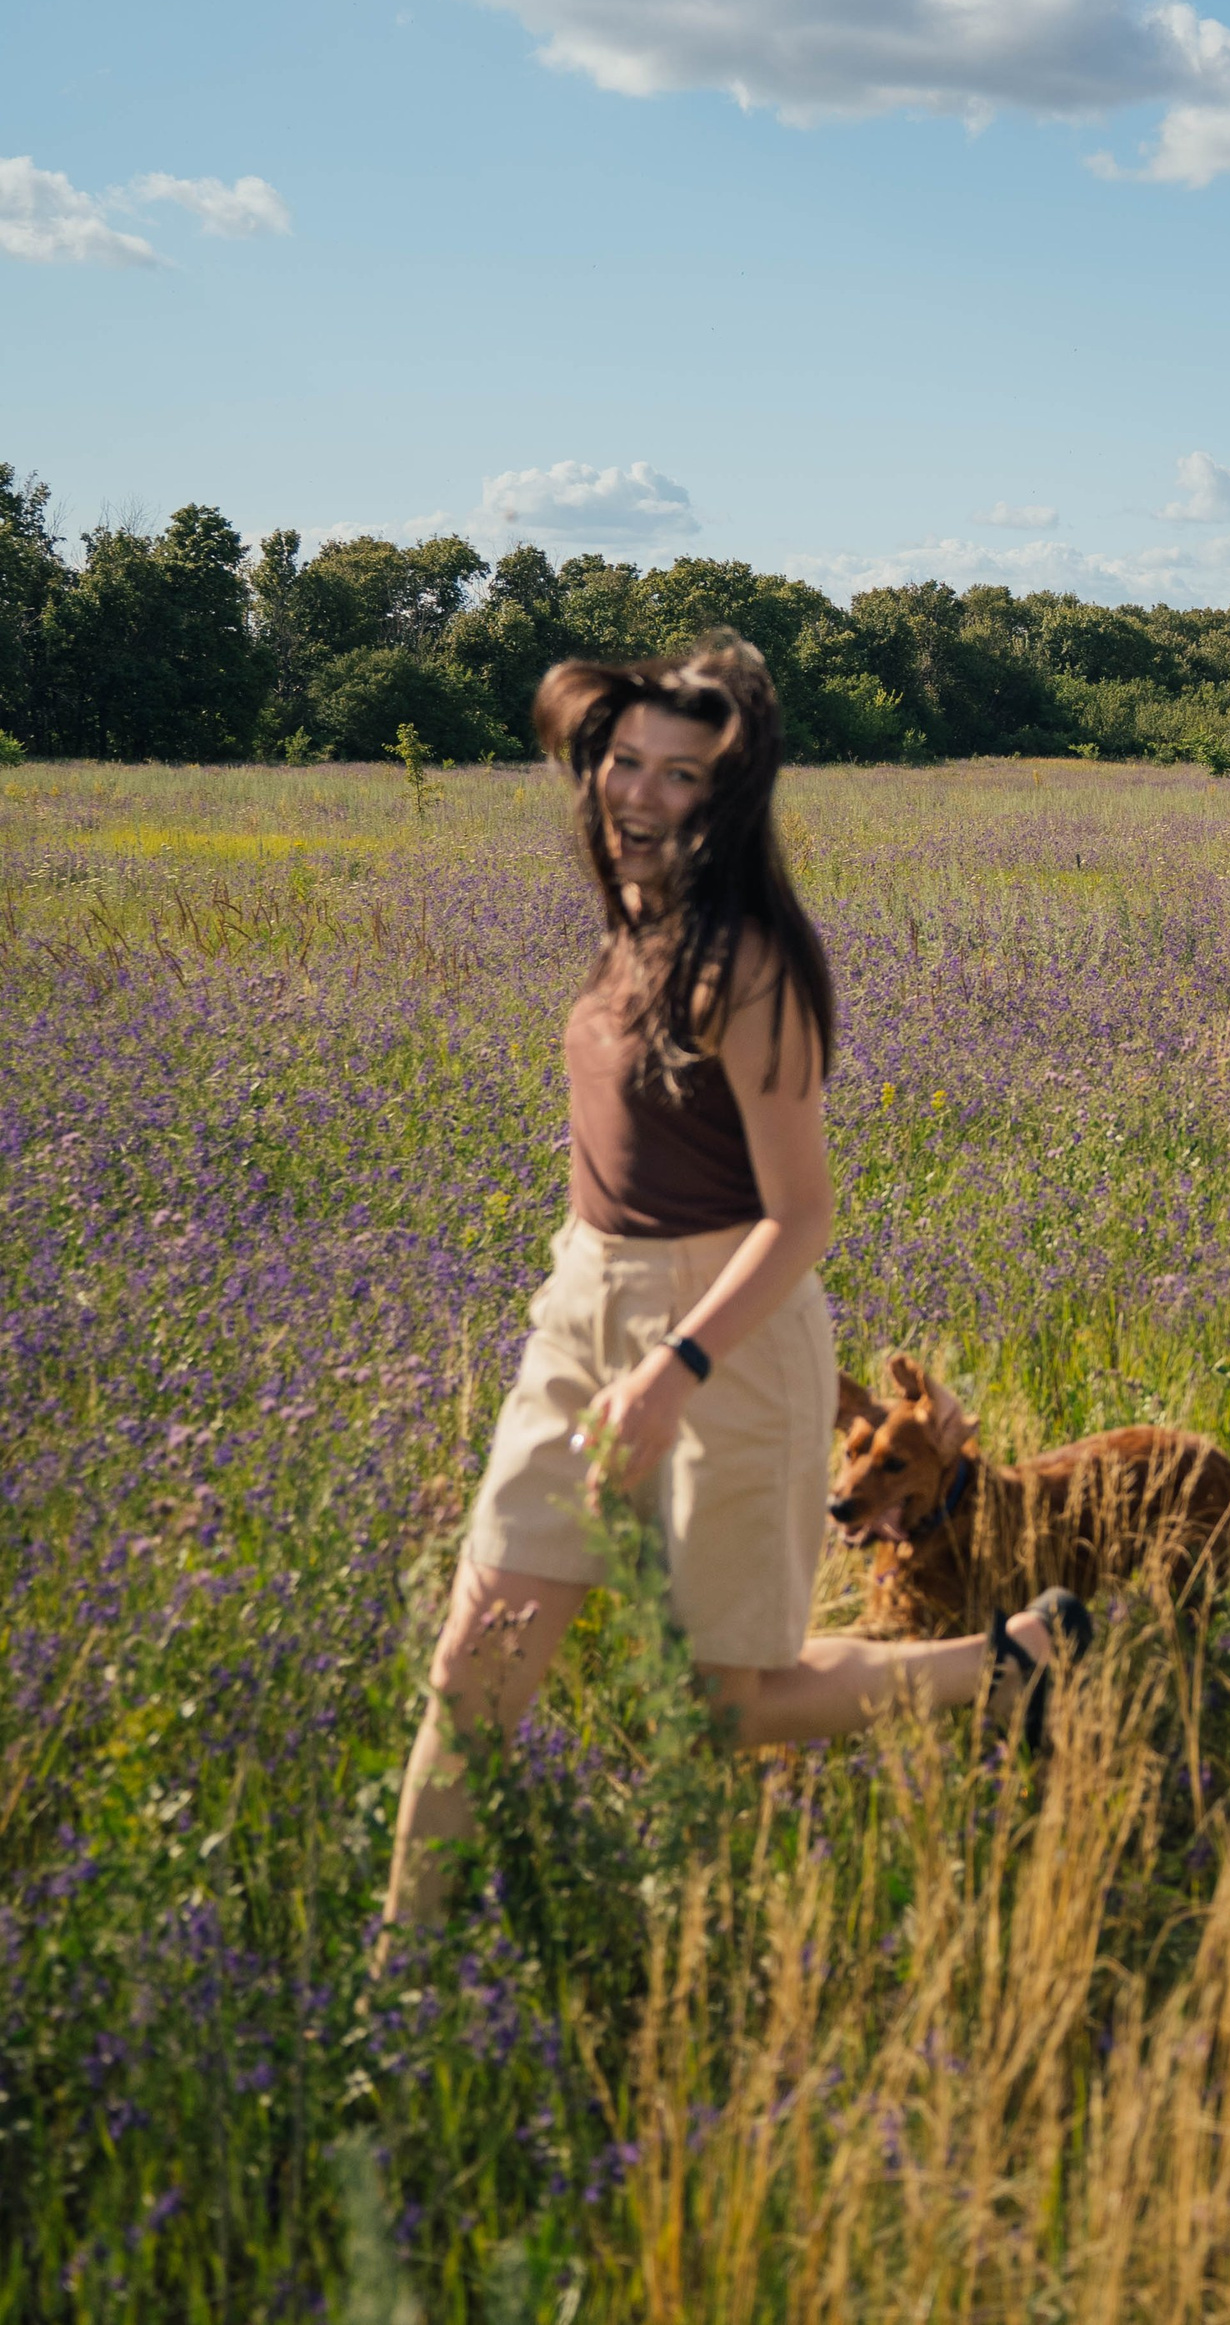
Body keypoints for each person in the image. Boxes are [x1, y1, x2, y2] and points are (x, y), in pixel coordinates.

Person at [381, 632, 1081, 1940]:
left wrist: (671, 1367)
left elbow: (803, 1214)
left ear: (729, 796)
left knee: (720, 1703)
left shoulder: (749, 964)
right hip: (582, 1305)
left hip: (726, 1339)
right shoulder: (628, 922)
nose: (638, 795)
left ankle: (1005, 1666)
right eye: (623, 763)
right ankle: (389, 1993)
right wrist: (601, 1321)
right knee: (470, 1671)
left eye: (679, 775)